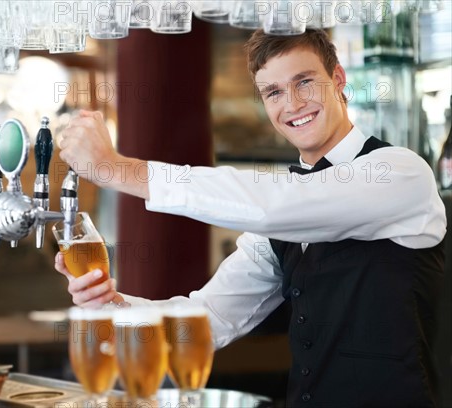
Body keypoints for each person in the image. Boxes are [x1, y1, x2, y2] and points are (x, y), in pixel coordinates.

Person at [56, 28, 447, 407]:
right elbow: (206, 322)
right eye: (273, 92)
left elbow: (279, 204)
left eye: (305, 82)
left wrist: (119, 170)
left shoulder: (400, 173)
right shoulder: (277, 224)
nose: (292, 104)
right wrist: (112, 304)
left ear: (338, 79)